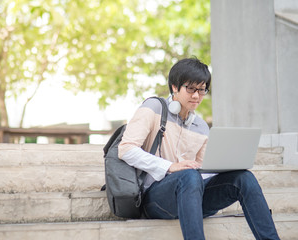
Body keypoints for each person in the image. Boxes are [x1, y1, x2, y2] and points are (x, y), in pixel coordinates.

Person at [118, 57, 280, 240]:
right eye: (190, 89)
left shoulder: (201, 126)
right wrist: (169, 166)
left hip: (192, 196)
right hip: (155, 199)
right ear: (174, 87)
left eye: (201, 90)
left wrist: (225, 168)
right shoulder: (153, 107)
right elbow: (126, 149)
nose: (196, 95)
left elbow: (203, 172)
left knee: (244, 178)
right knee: (188, 175)